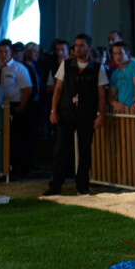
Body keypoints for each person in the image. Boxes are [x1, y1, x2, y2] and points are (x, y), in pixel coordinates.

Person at [43, 34, 107, 196]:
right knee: (60, 150)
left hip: (87, 115)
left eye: (82, 45)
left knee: (85, 151)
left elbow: (101, 94)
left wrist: (101, 115)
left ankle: (82, 186)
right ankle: (55, 186)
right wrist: (53, 110)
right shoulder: (65, 65)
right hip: (66, 114)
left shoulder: (98, 68)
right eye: (76, 45)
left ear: (89, 48)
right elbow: (58, 89)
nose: (78, 48)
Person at [0, 39, 33, 179]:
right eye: (0, 52)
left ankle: (17, 170)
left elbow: (27, 88)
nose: (3, 55)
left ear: (11, 53)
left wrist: (21, 106)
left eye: (6, 52)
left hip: (14, 106)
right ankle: (0, 169)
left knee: (15, 140)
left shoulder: (18, 68)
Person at [108, 41, 135, 114]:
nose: (117, 57)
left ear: (127, 53)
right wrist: (115, 104)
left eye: (120, 53)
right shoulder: (115, 74)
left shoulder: (134, 65)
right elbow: (111, 96)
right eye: (114, 54)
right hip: (125, 114)